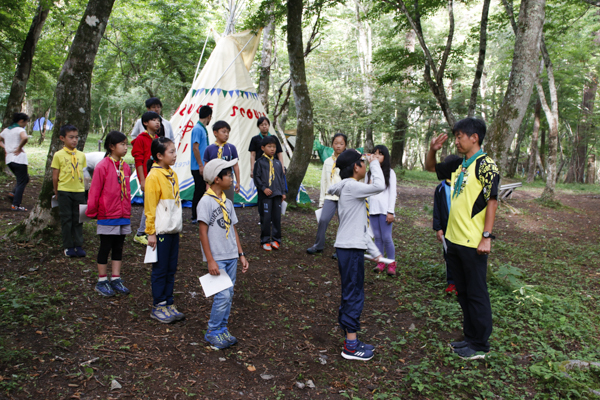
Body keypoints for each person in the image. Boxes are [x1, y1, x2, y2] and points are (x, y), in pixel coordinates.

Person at [424, 117, 499, 360]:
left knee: (476, 292)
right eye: (455, 136)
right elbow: (430, 168)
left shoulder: (486, 165)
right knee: (463, 292)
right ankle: (470, 338)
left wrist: (486, 236)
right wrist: (432, 151)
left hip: (473, 241)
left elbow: (492, 200)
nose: (456, 141)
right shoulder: (459, 163)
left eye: (459, 136)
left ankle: (480, 345)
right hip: (454, 240)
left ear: (474, 137)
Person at [327, 149, 384, 361]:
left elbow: (358, 227)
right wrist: (376, 163)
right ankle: (350, 346)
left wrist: (375, 252)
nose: (366, 164)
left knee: (352, 292)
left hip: (351, 247)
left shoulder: (348, 188)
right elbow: (379, 186)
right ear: (356, 167)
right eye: (363, 161)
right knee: (354, 295)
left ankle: (350, 339)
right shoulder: (351, 186)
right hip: (350, 250)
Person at [197, 158, 249, 349]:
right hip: (217, 257)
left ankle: (222, 328)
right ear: (217, 179)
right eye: (228, 175)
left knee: (229, 293)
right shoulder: (206, 202)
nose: (232, 178)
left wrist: (241, 253)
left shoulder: (226, 202)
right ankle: (213, 331)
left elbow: (233, 228)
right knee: (222, 295)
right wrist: (210, 259)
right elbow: (202, 232)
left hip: (231, 255)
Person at [86, 131, 132, 297]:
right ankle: (101, 280)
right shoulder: (102, 166)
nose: (126, 148)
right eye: (122, 144)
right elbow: (95, 191)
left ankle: (116, 278)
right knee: (105, 247)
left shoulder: (125, 167)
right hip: (107, 215)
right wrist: (92, 211)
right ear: (112, 147)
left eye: (127, 144)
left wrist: (127, 210)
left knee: (119, 247)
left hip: (122, 214)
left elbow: (127, 191)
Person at [145, 137, 184, 323]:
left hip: (173, 230)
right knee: (160, 269)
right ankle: (158, 305)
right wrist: (150, 231)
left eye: (175, 151)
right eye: (171, 152)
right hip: (161, 232)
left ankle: (168, 302)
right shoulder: (154, 176)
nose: (175, 155)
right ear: (159, 155)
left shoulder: (172, 174)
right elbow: (150, 206)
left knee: (171, 268)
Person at [307, 133, 347, 258]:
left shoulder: (348, 160)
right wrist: (321, 200)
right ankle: (318, 245)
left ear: (345, 145)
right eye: (336, 143)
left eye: (341, 143)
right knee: (323, 219)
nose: (338, 146)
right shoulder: (328, 161)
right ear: (332, 144)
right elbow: (324, 181)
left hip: (344, 197)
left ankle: (341, 249)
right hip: (330, 196)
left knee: (343, 222)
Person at [51, 125, 87, 258]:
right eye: (71, 137)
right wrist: (56, 192)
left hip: (79, 191)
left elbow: (83, 173)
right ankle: (68, 246)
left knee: (79, 218)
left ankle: (79, 244)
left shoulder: (81, 155)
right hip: (64, 191)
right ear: (62, 138)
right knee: (66, 218)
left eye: (76, 137)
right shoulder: (58, 155)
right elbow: (55, 175)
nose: (74, 140)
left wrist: (85, 189)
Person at [432, 154, 461, 295]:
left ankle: (462, 282)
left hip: (461, 228)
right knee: (449, 255)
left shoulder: (462, 185)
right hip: (446, 228)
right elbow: (437, 209)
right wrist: (438, 228)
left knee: (462, 255)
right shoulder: (440, 188)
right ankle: (452, 282)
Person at [131, 111, 161, 245]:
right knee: (149, 204)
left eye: (158, 120)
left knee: (156, 203)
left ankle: (152, 231)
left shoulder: (158, 139)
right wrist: (142, 180)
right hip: (147, 177)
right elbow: (138, 161)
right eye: (153, 120)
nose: (157, 122)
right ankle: (140, 232)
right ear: (145, 123)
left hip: (157, 177)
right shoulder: (141, 139)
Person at [253, 136, 287, 251]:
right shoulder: (259, 162)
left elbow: (281, 178)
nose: (272, 149)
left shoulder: (278, 163)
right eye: (269, 146)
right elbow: (256, 178)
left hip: (277, 194)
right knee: (266, 218)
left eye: (274, 147)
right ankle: (265, 240)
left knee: (277, 218)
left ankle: (276, 239)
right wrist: (263, 188)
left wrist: (283, 192)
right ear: (263, 148)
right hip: (265, 195)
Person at [368, 145, 398, 276]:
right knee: (378, 237)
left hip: (385, 210)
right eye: (374, 153)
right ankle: (380, 262)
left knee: (386, 237)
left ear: (385, 157)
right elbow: (367, 189)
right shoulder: (371, 172)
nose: (376, 156)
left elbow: (393, 193)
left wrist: (390, 211)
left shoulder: (390, 173)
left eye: (380, 154)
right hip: (373, 210)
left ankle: (391, 263)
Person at [203, 120, 241, 202]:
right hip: (214, 180)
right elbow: (206, 167)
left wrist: (238, 182)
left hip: (228, 179)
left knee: (228, 201)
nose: (226, 134)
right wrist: (207, 184)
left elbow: (236, 166)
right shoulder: (209, 149)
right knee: (214, 201)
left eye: (228, 132)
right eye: (223, 132)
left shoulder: (232, 148)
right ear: (215, 133)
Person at [0, 113, 30, 211]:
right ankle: (16, 205)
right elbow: (25, 138)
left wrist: (6, 148)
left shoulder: (6, 130)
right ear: (21, 121)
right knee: (22, 181)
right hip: (19, 159)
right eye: (25, 122)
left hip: (9, 159)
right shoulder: (20, 130)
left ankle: (13, 193)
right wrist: (19, 147)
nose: (25, 125)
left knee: (25, 178)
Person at [191, 105, 212, 223]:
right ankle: (195, 216)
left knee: (203, 190)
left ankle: (201, 214)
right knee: (199, 190)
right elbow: (195, 147)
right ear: (209, 116)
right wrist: (200, 165)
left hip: (203, 165)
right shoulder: (197, 129)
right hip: (197, 166)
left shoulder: (202, 128)